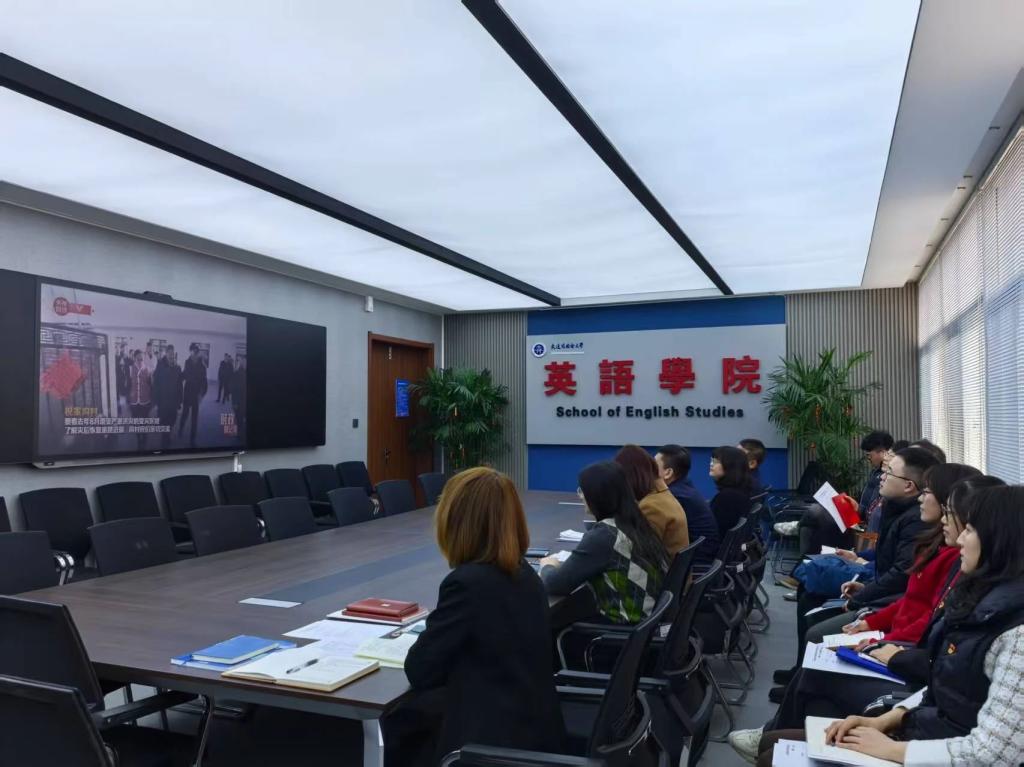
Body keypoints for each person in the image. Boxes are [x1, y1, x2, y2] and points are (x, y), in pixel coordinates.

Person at [744, 484, 1024, 767]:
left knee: (773, 757)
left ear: (1001, 541)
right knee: (785, 738)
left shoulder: (1015, 633)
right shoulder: (980, 599)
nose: (961, 539)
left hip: (932, 748)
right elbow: (945, 686)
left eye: (970, 530)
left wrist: (892, 750)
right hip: (927, 730)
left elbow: (993, 755)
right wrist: (889, 719)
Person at [752, 465, 984, 731]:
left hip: (901, 647)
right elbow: (907, 592)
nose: (881, 477)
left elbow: (922, 615)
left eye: (889, 472)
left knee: (817, 645)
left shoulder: (953, 559)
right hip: (894, 633)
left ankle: (774, 732)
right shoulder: (931, 538)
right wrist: (871, 619)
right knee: (815, 642)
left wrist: (876, 632)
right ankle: (778, 731)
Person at [383, 467, 566, 766]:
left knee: (397, 722)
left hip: (488, 745)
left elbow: (419, 670)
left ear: (455, 522)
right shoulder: (525, 574)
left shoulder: (468, 584)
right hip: (533, 730)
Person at [541, 461, 668, 625]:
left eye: (582, 491)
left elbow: (555, 584)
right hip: (649, 622)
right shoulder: (635, 522)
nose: (580, 496)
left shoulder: (605, 535)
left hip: (626, 628)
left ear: (597, 495)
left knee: (549, 623)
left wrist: (548, 565)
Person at [614, 444, 689, 555]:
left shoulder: (651, 506)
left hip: (659, 565)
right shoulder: (662, 496)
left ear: (631, 476)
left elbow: (639, 551)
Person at [656, 444, 719, 564]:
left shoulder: (675, 496)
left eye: (653, 466)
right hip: (704, 560)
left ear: (668, 473)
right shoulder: (684, 488)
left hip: (694, 565)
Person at [709, 445, 752, 538]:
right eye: (711, 460)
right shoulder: (738, 491)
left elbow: (717, 531)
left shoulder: (727, 497)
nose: (711, 464)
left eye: (716, 462)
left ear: (730, 466)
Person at [152, 345, 182, 449]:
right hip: (163, 401)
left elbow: (179, 386)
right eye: (169, 353)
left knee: (172, 420)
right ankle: (164, 439)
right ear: (166, 353)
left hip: (173, 402)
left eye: (172, 353)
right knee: (164, 421)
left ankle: (167, 434)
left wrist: (179, 401)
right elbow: (156, 384)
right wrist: (156, 401)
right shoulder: (160, 365)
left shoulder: (177, 368)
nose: (171, 355)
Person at [178, 343, 208, 446]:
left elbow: (204, 381)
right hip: (187, 393)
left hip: (196, 395)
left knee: (194, 418)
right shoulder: (187, 362)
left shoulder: (202, 366)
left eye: (196, 352)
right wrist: (177, 376)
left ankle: (192, 439)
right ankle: (180, 429)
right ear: (190, 352)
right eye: (193, 351)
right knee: (185, 414)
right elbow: (184, 374)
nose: (194, 354)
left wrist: (201, 394)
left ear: (198, 353)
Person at [126, 349, 152, 450]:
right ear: (135, 358)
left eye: (141, 358)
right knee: (136, 422)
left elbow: (151, 385)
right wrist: (128, 398)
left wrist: (151, 400)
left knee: (144, 421)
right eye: (138, 358)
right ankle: (138, 439)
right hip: (134, 401)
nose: (140, 360)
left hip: (145, 400)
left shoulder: (147, 369)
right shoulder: (130, 368)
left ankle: (144, 438)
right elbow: (128, 384)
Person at [230, 355, 246, 440]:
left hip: (244, 401)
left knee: (241, 419)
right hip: (239, 401)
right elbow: (234, 389)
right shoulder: (237, 373)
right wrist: (235, 403)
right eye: (244, 361)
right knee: (239, 419)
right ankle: (240, 435)